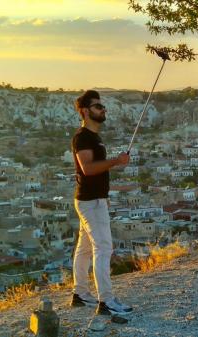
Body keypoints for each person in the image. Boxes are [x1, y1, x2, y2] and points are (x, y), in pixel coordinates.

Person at [70, 90, 132, 316]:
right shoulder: (83, 137)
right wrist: (116, 161)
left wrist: (114, 161)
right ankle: (106, 301)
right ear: (85, 111)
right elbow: (87, 169)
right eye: (98, 106)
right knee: (103, 247)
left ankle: (80, 293)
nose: (103, 109)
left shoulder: (94, 137)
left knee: (85, 248)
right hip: (91, 201)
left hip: (91, 200)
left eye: (103, 106)